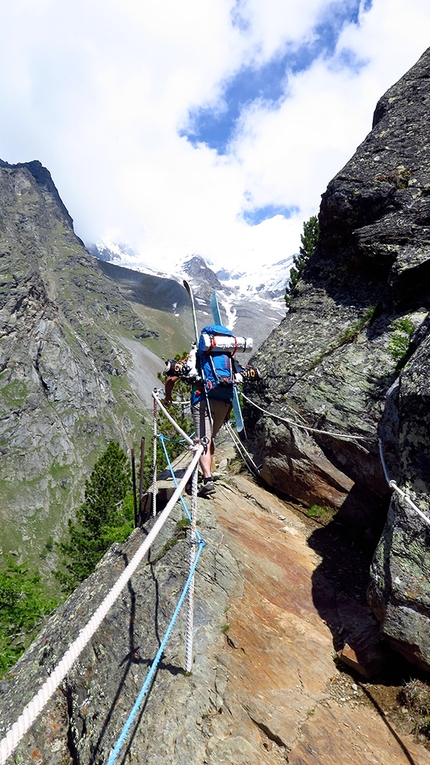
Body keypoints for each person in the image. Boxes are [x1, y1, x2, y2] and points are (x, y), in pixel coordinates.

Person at [164, 371, 232, 497]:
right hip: (224, 402)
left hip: (201, 400)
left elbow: (171, 379)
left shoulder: (195, 357)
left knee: (202, 441)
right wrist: (228, 410)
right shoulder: (225, 356)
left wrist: (168, 397)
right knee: (210, 438)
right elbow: (233, 381)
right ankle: (210, 471)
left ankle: (207, 480)